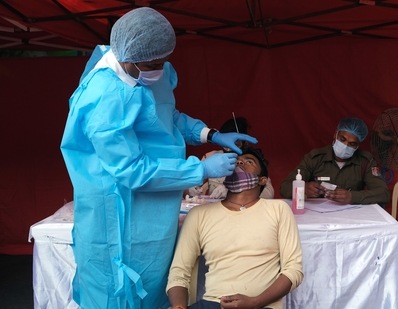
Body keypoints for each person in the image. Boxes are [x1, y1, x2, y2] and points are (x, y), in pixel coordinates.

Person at [60, 7, 257, 309]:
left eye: (164, 61)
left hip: (155, 207)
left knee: (153, 286)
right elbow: (132, 170)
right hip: (116, 210)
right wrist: (200, 169)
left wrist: (208, 134)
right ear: (127, 56)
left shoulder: (151, 71)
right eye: (154, 63)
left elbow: (166, 115)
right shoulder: (104, 99)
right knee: (117, 293)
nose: (161, 69)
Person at [167, 146, 303, 309]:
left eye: (249, 161)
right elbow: (179, 272)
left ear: (262, 180)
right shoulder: (199, 214)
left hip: (262, 305)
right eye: (237, 160)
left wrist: (255, 302)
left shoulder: (278, 210)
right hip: (213, 304)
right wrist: (179, 306)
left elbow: (293, 270)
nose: (239, 162)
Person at [279, 117, 389, 205]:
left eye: (352, 144)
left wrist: (352, 197)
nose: (345, 146)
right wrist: (304, 188)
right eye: (342, 139)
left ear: (358, 146)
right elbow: (284, 187)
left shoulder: (365, 161)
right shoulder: (315, 158)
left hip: (350, 217)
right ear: (335, 134)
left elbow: (383, 193)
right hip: (317, 215)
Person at [188, 117, 275, 199]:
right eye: (226, 143)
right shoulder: (211, 157)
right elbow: (193, 181)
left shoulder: (253, 159)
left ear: (244, 141)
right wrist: (193, 188)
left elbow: (268, 193)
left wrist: (234, 189)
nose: (229, 148)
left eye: (235, 143)